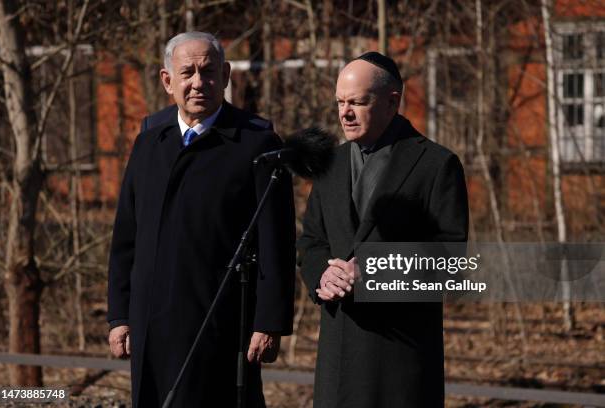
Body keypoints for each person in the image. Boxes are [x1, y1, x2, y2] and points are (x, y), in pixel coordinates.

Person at [107, 31, 295, 408]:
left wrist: (269, 323)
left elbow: (277, 243)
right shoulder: (149, 142)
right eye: (188, 72)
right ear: (167, 81)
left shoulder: (257, 143)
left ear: (225, 76)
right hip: (149, 324)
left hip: (219, 326)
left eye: (208, 72)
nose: (198, 83)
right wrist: (119, 315)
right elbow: (126, 237)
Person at [297, 52, 469, 408]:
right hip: (339, 354)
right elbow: (313, 240)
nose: (345, 113)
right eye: (340, 103)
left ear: (392, 102)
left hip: (400, 358)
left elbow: (450, 256)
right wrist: (321, 278)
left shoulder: (436, 164)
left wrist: (373, 270)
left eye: (358, 102)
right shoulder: (330, 164)